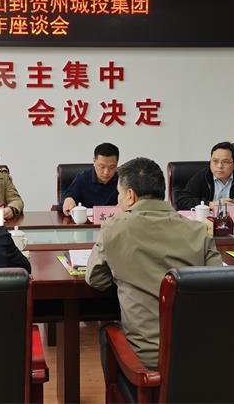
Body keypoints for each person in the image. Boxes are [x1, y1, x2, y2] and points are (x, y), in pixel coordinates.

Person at [86, 157, 221, 393]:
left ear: (130, 195)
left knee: (108, 332)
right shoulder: (199, 230)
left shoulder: (115, 228)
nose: (118, 200)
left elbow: (96, 279)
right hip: (198, 356)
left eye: (119, 194)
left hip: (145, 362)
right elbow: (217, 285)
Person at [172, 141, 234, 211]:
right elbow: (181, 201)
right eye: (215, 161)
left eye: (225, 162)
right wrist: (210, 204)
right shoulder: (202, 176)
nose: (219, 166)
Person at [61, 142, 119, 215]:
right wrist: (69, 199)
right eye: (102, 167)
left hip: (115, 221)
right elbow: (71, 194)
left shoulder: (122, 180)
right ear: (94, 162)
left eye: (112, 167)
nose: (106, 172)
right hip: (87, 221)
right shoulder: (83, 178)